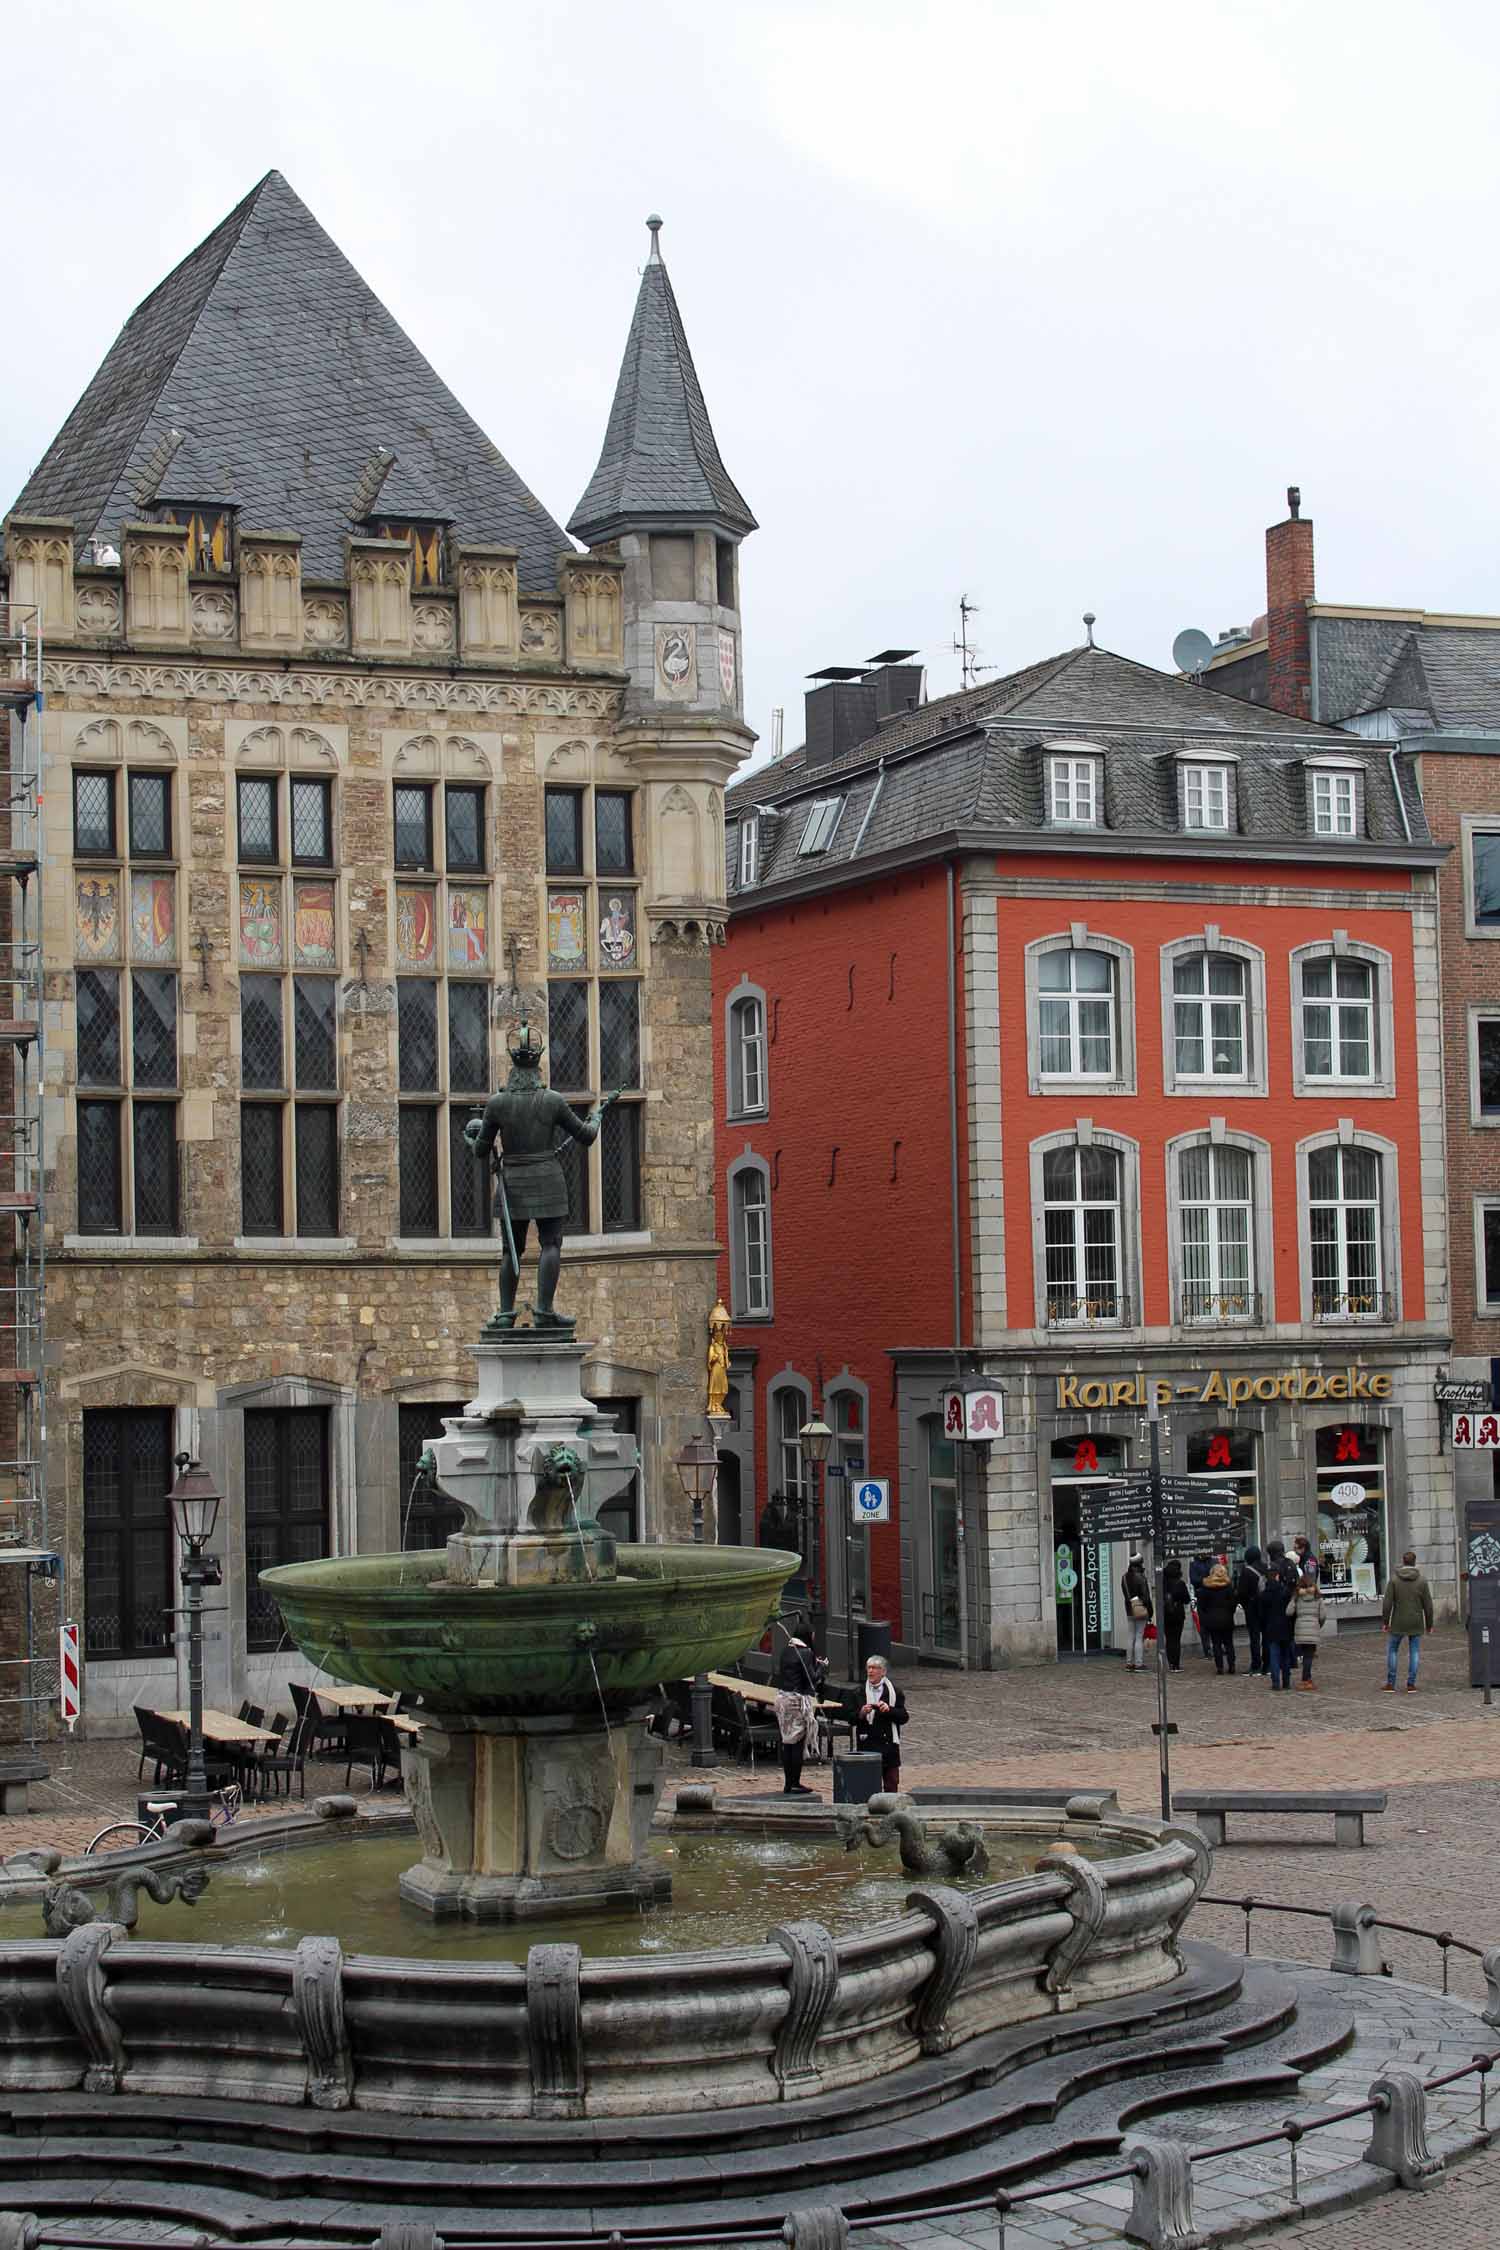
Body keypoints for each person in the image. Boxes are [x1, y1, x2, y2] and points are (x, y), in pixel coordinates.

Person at [465, 1016, 607, 1332]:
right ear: (537, 1066)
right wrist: (596, 1119)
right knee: (551, 1244)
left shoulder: (497, 1104)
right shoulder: (552, 1100)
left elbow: (479, 1150)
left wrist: (468, 1136)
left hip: (513, 1181)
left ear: (513, 1068)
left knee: (509, 1249)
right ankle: (544, 1309)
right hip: (547, 1178)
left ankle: (505, 1313)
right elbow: (585, 1135)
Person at [774, 1629, 826, 1795]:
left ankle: (789, 1783)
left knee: (787, 1741)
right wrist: (821, 1667)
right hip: (796, 1701)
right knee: (796, 1743)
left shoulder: (786, 1650)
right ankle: (794, 1783)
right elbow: (812, 1680)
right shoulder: (805, 1652)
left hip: (782, 1699)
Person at [1382, 1549, 1435, 1691]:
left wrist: (1385, 1622)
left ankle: (1391, 1683)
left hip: (1398, 1620)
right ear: (1414, 1562)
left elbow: (1387, 1603)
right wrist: (1429, 1624)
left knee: (1392, 1650)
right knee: (1414, 1652)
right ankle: (1411, 1684)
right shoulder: (1422, 1581)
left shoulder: (1394, 1580)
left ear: (1403, 1561)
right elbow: (1428, 1605)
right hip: (1416, 1620)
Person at [854, 1654, 907, 1793]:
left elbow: (903, 1717)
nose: (870, 1671)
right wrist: (861, 1713)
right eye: (869, 1668)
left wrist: (889, 1710)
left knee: (891, 1783)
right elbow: (850, 1717)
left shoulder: (895, 1692)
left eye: (875, 1668)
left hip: (889, 1745)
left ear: (883, 1671)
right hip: (867, 1743)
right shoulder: (859, 1691)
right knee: (868, 1785)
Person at [1260, 1539, 1299, 1691]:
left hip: (1272, 1624)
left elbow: (1261, 1610)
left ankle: (1276, 1681)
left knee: (1275, 1653)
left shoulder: (1265, 1593)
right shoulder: (1290, 1565)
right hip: (1286, 1620)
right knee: (1285, 1651)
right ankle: (1287, 1679)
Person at [1198, 1561, 1238, 1674]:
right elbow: (1233, 1603)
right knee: (1229, 1643)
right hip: (1226, 1618)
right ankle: (1231, 1665)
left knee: (1216, 1644)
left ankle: (1219, 1667)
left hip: (1212, 1619)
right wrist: (1230, 1612)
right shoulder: (1228, 1587)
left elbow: (1202, 1606)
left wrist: (1205, 1618)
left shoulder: (1206, 1588)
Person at [1292, 1563, 1326, 1688]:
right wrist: (1318, 1625)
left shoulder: (1297, 1597)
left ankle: (1307, 1679)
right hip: (1313, 1629)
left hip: (1301, 1629)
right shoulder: (1317, 1597)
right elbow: (1323, 1615)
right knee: (1308, 1656)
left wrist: (1294, 1599)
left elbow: (1288, 1611)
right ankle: (1306, 1680)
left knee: (1305, 1655)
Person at [1236, 1544, 1267, 1676]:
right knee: (1266, 1637)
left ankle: (1256, 1665)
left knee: (1254, 1638)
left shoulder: (1247, 1571)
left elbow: (1241, 1592)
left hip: (1252, 1608)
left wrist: (1245, 1604)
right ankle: (1268, 1664)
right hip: (1266, 1607)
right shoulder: (1267, 1568)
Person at [1121, 1553, 1153, 1671]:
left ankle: (1129, 1663)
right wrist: (1150, 1611)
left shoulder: (1124, 1577)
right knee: (1139, 1636)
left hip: (1129, 1609)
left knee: (1131, 1636)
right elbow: (1146, 1596)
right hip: (1140, 1608)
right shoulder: (1141, 1577)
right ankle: (1139, 1663)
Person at [1161, 1558, 1189, 1671]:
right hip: (1178, 1614)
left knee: (1169, 1639)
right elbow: (1186, 1599)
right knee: (1176, 1640)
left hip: (1166, 1613)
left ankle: (1171, 1663)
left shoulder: (1163, 1582)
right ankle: (1176, 1664)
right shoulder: (1180, 1583)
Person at [1187, 1552, 1213, 1656]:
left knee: (1215, 1622)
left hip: (1213, 1595)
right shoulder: (1194, 1564)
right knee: (1204, 1624)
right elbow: (1194, 1580)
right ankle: (1207, 1648)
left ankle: (1217, 1646)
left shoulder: (1212, 1561)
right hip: (1201, 1596)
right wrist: (1207, 1580)